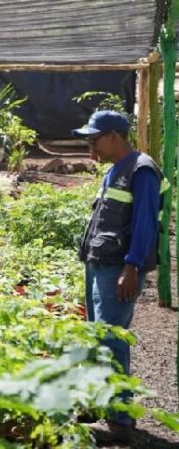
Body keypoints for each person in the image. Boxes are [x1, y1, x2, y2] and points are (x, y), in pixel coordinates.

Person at [72, 110, 168, 442]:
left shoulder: (141, 170)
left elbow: (144, 224)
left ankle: (120, 420)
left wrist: (132, 266)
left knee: (112, 340)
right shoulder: (115, 170)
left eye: (94, 140)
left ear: (114, 136)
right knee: (98, 339)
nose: (90, 147)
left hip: (118, 268)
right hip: (100, 263)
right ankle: (101, 405)